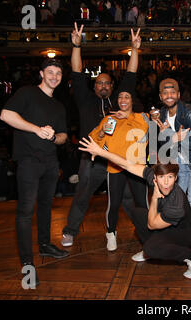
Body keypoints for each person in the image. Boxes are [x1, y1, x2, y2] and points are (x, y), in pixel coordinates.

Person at [78, 136, 191, 279]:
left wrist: (154, 197)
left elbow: (151, 225)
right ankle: (151, 247)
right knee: (137, 212)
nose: (165, 183)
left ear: (176, 178)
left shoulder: (176, 204)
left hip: (183, 235)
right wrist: (101, 152)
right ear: (155, 177)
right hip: (167, 226)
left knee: (151, 248)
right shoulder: (155, 178)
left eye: (170, 177)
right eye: (161, 177)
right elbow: (127, 165)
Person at [61, 24, 143, 249]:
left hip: (118, 159)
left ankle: (143, 230)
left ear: (112, 86)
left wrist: (135, 49)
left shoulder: (119, 100)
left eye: (107, 83)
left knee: (127, 198)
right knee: (82, 195)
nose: (103, 86)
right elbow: (76, 72)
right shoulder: (85, 100)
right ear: (94, 85)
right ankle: (70, 231)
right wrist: (76, 45)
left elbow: (131, 74)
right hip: (93, 159)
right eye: (99, 83)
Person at [0, 59, 69, 286]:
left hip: (50, 162)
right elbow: (6, 115)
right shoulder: (27, 93)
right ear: (41, 73)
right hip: (29, 161)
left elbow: (63, 136)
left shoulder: (58, 106)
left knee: (46, 206)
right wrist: (37, 130)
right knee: (25, 212)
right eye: (50, 72)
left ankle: (45, 245)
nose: (54, 76)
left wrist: (53, 136)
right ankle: (27, 264)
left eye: (58, 73)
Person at [89, 63, 150, 251]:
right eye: (121, 96)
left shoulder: (142, 117)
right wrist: (100, 135)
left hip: (137, 168)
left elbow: (146, 133)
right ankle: (111, 233)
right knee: (113, 203)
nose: (123, 99)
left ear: (132, 100)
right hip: (114, 168)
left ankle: (147, 236)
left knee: (142, 204)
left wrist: (128, 118)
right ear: (117, 100)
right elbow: (93, 141)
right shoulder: (109, 119)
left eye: (127, 96)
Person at [153, 78, 191, 249]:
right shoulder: (161, 114)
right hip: (179, 161)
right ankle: (180, 232)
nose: (169, 95)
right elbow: (164, 144)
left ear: (178, 94)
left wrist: (170, 135)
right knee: (177, 198)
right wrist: (172, 137)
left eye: (173, 91)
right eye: (165, 92)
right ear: (161, 96)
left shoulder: (189, 112)